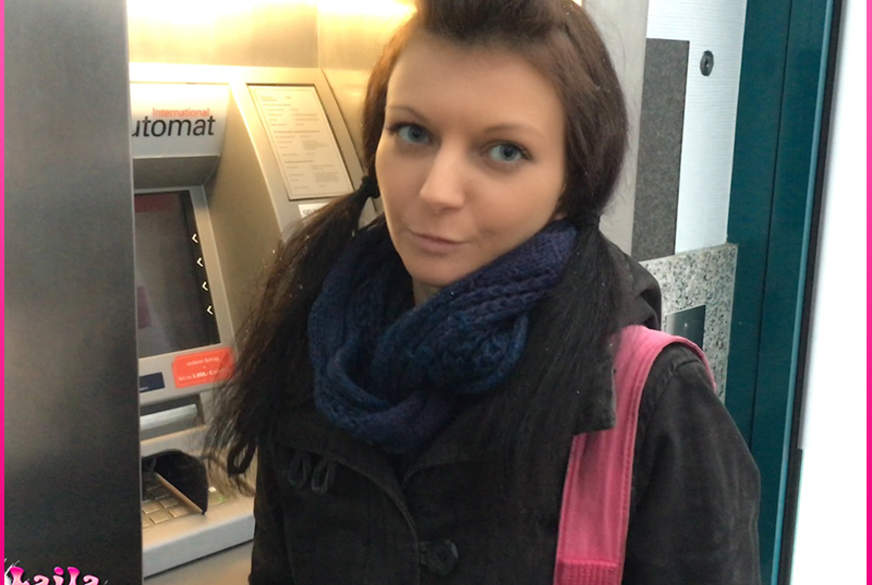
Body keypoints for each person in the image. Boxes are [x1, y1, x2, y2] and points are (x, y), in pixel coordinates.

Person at [206, 1, 762, 583]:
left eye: (504, 151)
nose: (438, 190)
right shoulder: (318, 345)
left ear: (572, 184)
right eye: (413, 133)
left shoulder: (653, 404)